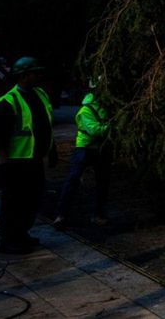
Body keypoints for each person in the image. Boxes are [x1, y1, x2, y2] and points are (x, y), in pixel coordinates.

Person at [0, 57, 56, 254]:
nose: (39, 75)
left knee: (32, 199)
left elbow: (46, 126)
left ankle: (21, 234)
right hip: (14, 162)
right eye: (35, 72)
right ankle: (8, 241)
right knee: (12, 202)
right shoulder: (7, 103)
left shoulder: (40, 94)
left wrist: (51, 151)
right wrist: (4, 165)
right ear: (25, 76)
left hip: (34, 159)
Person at [53, 84, 113, 227]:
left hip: (101, 149)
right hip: (84, 149)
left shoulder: (107, 106)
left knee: (103, 183)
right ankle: (61, 215)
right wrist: (113, 125)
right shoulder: (85, 110)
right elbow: (96, 131)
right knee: (72, 181)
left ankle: (97, 214)